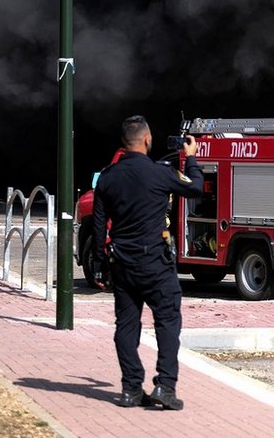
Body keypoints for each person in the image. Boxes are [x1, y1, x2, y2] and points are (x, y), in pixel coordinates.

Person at [93, 115, 202, 410]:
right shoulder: (159, 173)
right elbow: (196, 187)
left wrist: (102, 263)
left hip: (123, 265)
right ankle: (165, 387)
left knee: (126, 327)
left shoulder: (107, 177)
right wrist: (189, 158)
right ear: (145, 140)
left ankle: (130, 389)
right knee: (167, 322)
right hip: (155, 263)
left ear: (124, 142)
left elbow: (99, 224)